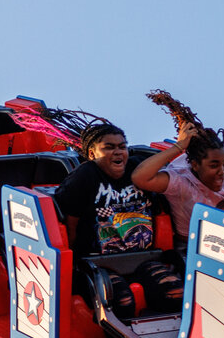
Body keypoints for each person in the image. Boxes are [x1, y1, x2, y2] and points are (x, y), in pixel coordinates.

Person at [17, 106, 182, 316]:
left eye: (122, 146)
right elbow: (71, 223)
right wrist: (74, 263)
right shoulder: (84, 176)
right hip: (98, 262)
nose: (118, 152)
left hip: (144, 257)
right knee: (121, 301)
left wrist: (182, 143)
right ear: (92, 153)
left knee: (175, 292)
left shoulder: (137, 168)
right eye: (109, 147)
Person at [130, 90, 224, 242]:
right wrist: (179, 146)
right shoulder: (181, 181)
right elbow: (140, 177)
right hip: (193, 249)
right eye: (214, 166)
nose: (222, 172)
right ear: (195, 165)